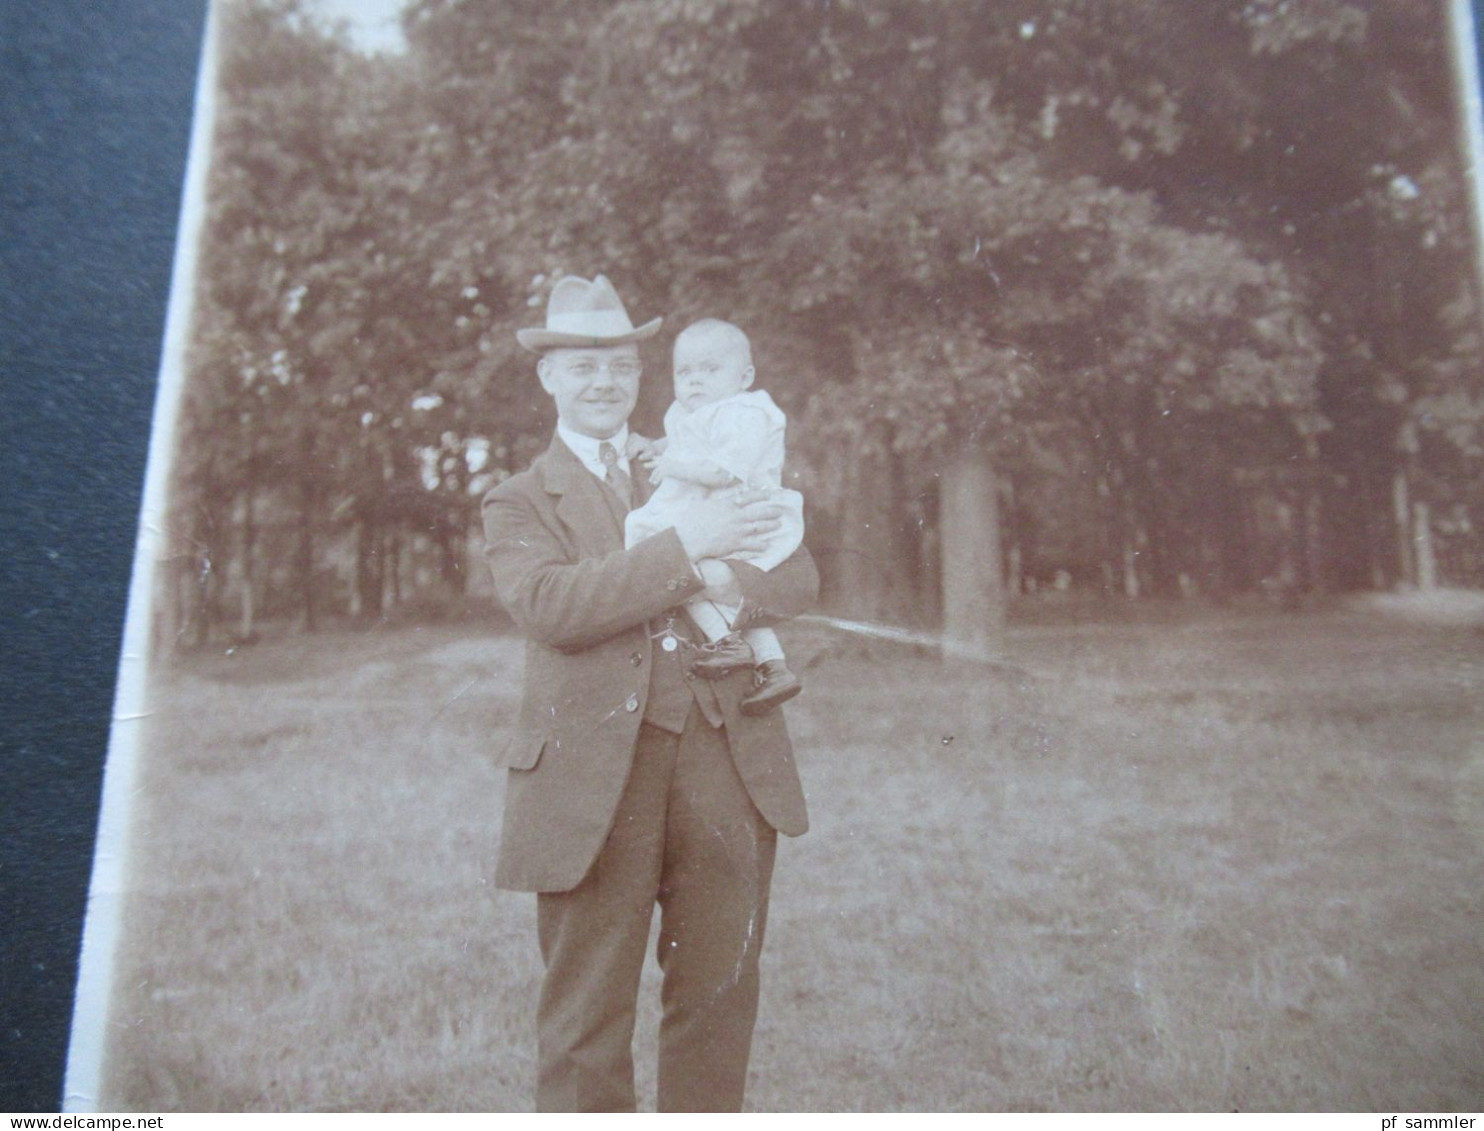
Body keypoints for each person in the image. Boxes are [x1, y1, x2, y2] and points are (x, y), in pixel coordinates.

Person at [481, 274, 818, 1112]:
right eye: (583, 365)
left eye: (622, 367)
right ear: (548, 376)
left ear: (642, 376)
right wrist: (685, 550)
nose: (604, 382)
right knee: (585, 1019)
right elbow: (553, 607)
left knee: (716, 1001)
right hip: (594, 785)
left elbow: (799, 570)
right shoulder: (519, 497)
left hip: (723, 762)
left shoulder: (702, 453)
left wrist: (728, 576)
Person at [624, 318, 805, 715]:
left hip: (746, 511)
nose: (694, 381)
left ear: (745, 377)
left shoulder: (746, 412)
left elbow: (726, 471)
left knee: (668, 558)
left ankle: (730, 643)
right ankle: (771, 664)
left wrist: (672, 466)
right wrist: (654, 446)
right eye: (684, 372)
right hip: (716, 513)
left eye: (710, 370)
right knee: (692, 574)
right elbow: (686, 442)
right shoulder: (698, 413)